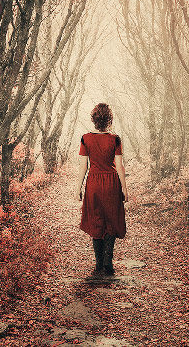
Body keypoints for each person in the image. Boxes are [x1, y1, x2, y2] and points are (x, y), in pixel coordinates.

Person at [75, 103, 128, 275]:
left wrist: (78, 188)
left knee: (96, 220)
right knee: (111, 220)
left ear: (94, 120)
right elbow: (119, 166)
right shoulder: (115, 139)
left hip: (94, 184)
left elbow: (83, 167)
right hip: (112, 183)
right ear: (109, 120)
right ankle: (108, 262)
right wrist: (125, 189)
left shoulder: (85, 139)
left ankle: (98, 264)